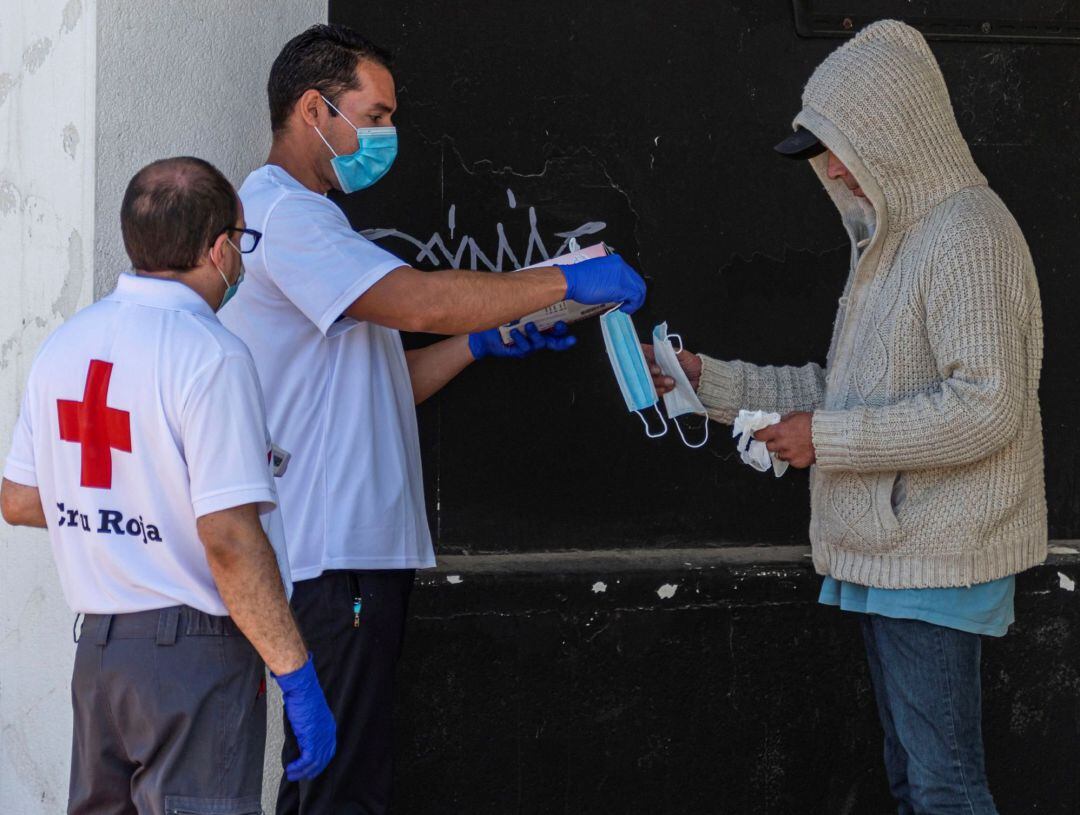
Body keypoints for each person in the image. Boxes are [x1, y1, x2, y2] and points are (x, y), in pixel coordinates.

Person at [217, 23, 647, 815]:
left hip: (347, 555)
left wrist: (478, 343)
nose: (387, 135)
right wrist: (567, 278)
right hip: (332, 556)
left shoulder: (306, 224)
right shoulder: (292, 218)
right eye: (374, 115)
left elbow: (379, 386)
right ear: (314, 109)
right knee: (338, 790)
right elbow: (419, 298)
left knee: (348, 776)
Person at [647, 20, 1044, 814]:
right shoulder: (890, 242)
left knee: (944, 790)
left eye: (842, 146)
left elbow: (986, 405)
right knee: (917, 784)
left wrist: (822, 441)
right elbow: (843, 386)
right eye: (821, 153)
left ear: (897, 132)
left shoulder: (967, 231)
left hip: (937, 561)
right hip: (896, 561)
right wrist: (709, 381)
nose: (830, 169)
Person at [1, 157, 337, 815]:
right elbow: (231, 540)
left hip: (99, 658)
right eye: (241, 243)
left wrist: (135, 504)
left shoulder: (66, 345)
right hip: (194, 657)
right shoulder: (210, 354)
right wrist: (294, 670)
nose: (239, 261)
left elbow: (17, 497)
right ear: (218, 250)